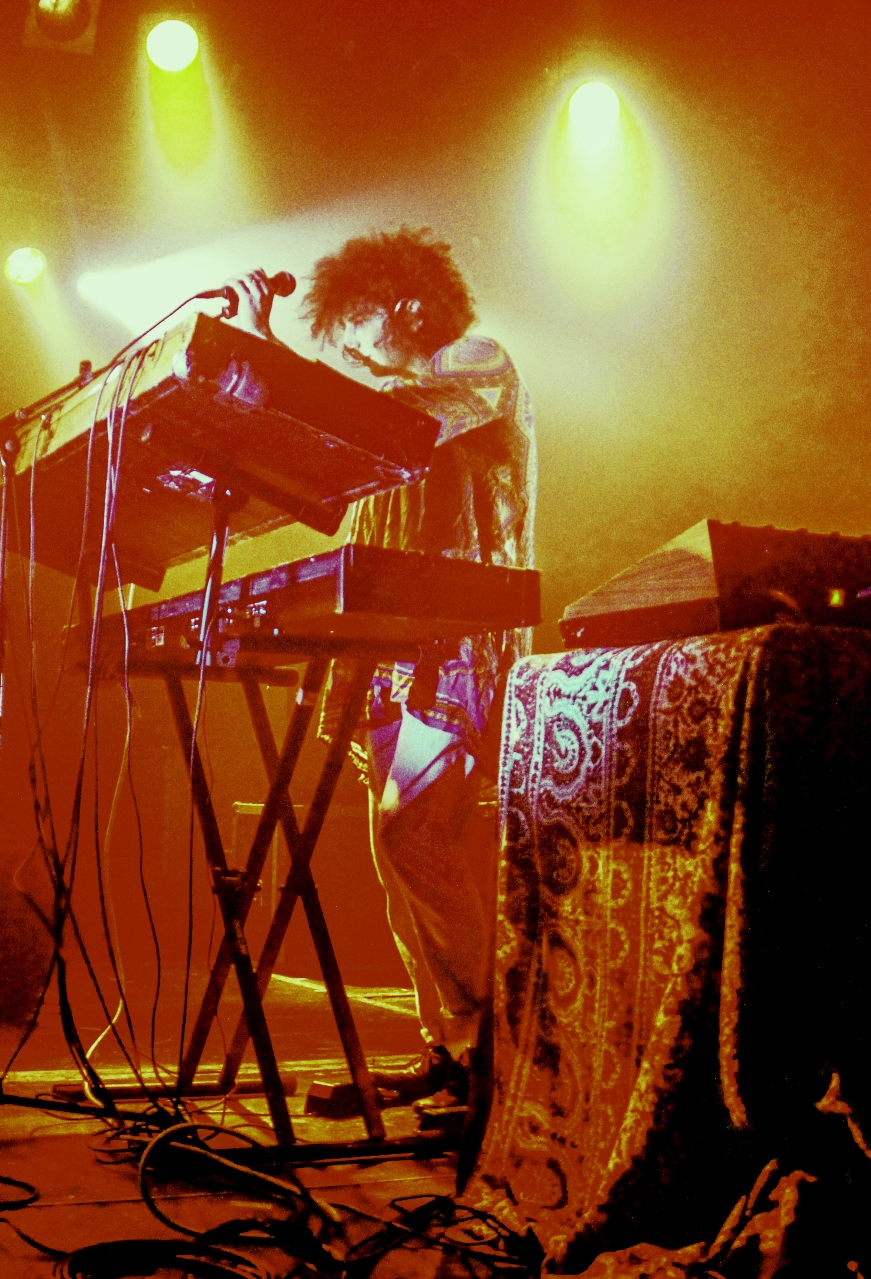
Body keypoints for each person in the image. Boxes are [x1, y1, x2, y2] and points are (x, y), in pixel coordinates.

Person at [227, 226, 537, 1108]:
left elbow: (391, 414)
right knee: (394, 844)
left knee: (413, 835)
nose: (354, 347)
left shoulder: (477, 360)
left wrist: (272, 353)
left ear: (405, 304)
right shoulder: (391, 394)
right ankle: (454, 1049)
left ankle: (491, 1046)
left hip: (456, 642)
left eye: (358, 323)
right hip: (394, 647)